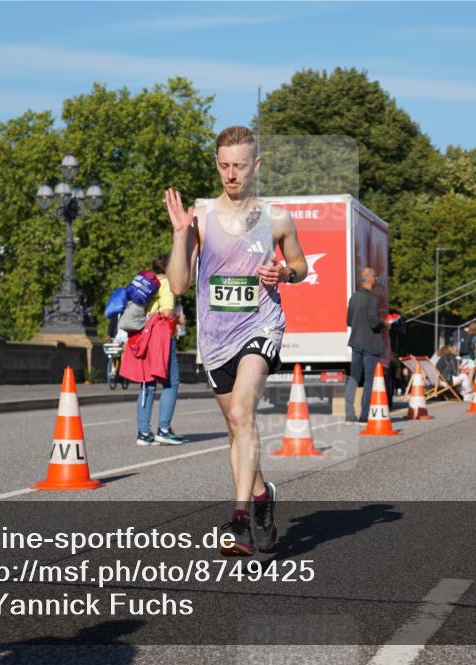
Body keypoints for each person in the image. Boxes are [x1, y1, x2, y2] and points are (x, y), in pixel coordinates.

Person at [164, 125, 308, 556]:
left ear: (255, 166)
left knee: (244, 412)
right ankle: (263, 497)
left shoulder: (276, 217)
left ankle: (241, 519)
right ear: (217, 165)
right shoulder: (201, 216)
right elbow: (178, 286)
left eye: (240, 166)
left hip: (261, 327)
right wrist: (178, 235)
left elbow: (300, 266)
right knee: (237, 427)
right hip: (215, 338)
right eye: (224, 165)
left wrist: (283, 273)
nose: (231, 174)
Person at [133, 255, 187, 446]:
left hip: (145, 335)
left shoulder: (149, 283)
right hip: (162, 337)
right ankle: (164, 429)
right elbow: (166, 312)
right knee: (171, 383)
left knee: (147, 384)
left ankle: (143, 433)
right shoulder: (166, 284)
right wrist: (178, 318)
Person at [345, 267, 386, 423]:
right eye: (375, 277)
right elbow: (373, 322)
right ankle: (364, 415)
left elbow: (348, 321)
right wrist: (385, 323)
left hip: (356, 342)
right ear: (370, 279)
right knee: (369, 379)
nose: (376, 280)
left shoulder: (354, 297)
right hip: (370, 344)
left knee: (354, 378)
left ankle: (349, 413)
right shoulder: (373, 299)